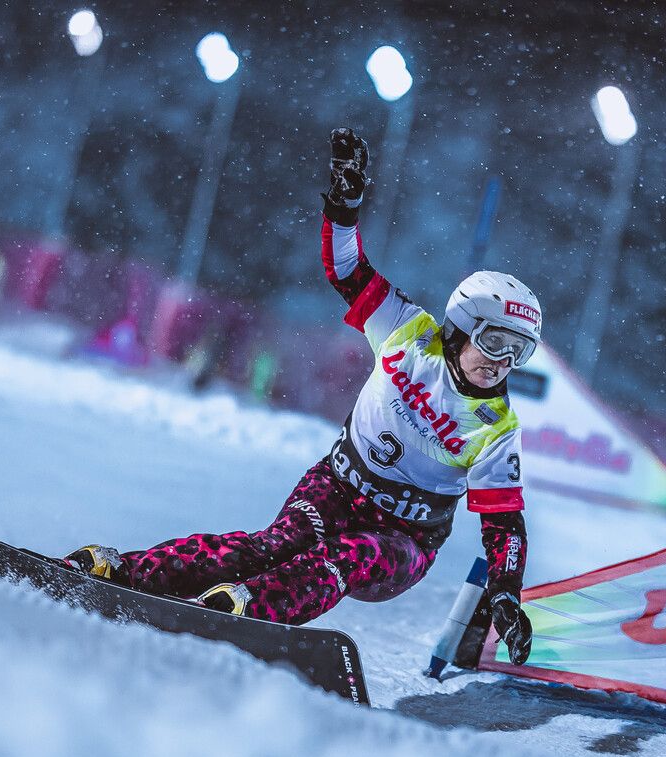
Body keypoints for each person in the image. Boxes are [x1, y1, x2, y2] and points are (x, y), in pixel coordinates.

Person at [63, 128, 538, 664]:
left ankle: (251, 608)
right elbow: (346, 270)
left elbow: (504, 525)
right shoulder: (409, 332)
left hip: (406, 538)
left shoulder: (497, 427)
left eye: (519, 352)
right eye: (495, 341)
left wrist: (505, 592)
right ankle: (123, 570)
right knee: (269, 548)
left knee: (347, 556)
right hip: (337, 486)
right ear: (460, 325)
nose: (501, 361)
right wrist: (344, 207)